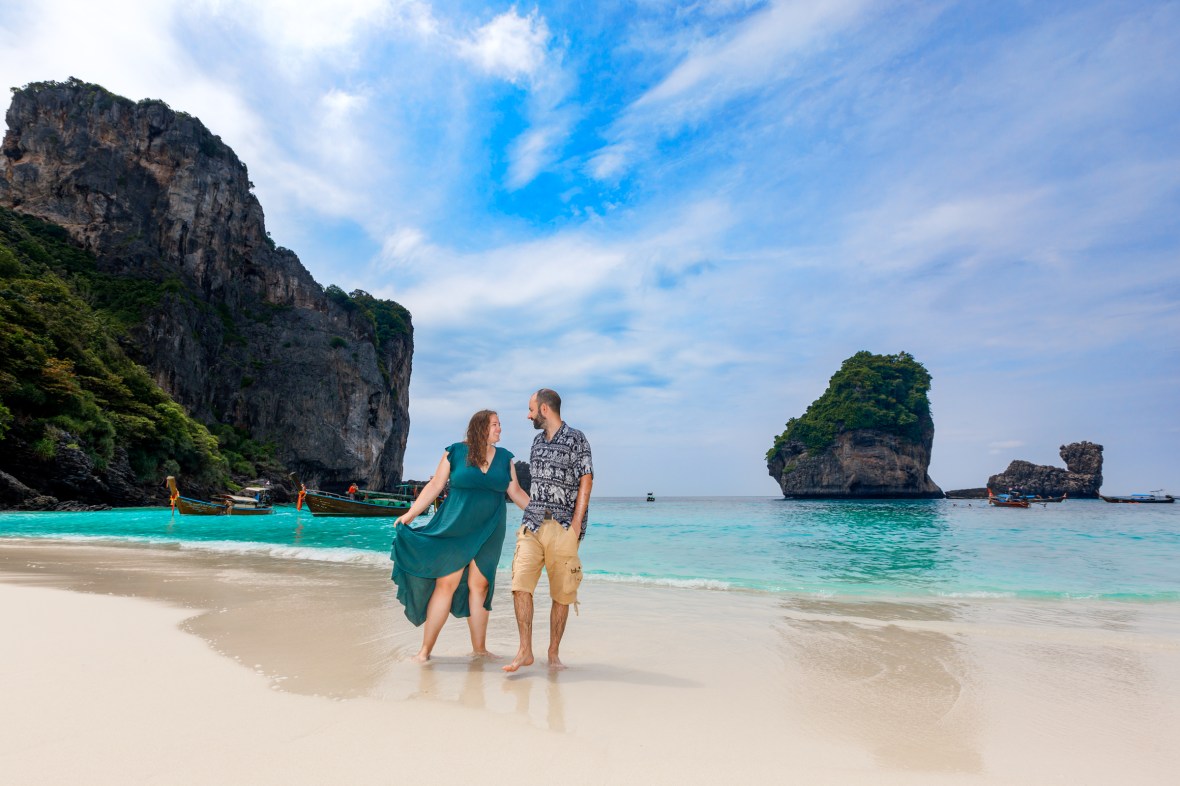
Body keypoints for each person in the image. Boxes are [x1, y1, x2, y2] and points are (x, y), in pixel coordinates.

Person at [391, 410, 530, 663]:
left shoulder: (505, 458)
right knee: (447, 583)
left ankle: (480, 649)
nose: (500, 429)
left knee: (481, 585)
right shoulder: (454, 452)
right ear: (480, 427)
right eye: (495, 425)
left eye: (500, 425)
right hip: (456, 524)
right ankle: (424, 652)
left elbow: (517, 492)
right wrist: (411, 514)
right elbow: (435, 486)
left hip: (490, 527)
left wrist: (543, 516)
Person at [504, 388, 594, 672]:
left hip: (564, 525)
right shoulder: (536, 442)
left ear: (545, 409)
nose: (528, 414)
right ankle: (525, 651)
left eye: (531, 409)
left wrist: (576, 525)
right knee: (520, 585)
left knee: (562, 594)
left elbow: (586, 481)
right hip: (532, 524)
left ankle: (553, 653)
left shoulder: (577, 438)